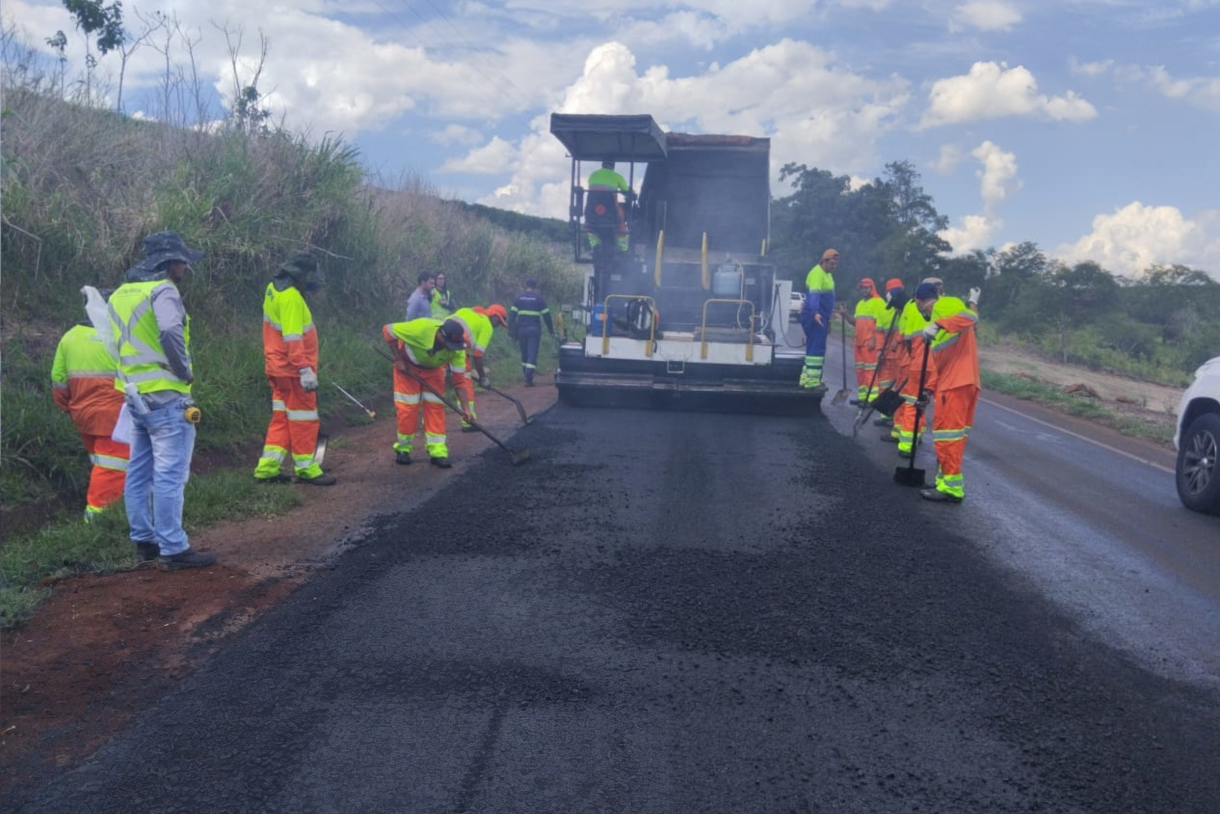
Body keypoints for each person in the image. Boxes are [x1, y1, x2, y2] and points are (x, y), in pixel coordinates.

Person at [109, 231, 214, 569]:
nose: (185, 265)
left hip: (134, 395)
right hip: (167, 395)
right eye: (182, 260)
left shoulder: (121, 293)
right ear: (170, 261)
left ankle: (144, 540)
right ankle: (173, 547)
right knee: (169, 474)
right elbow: (170, 331)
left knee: (138, 471)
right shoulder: (164, 289)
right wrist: (183, 370)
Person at [253, 252, 335, 486]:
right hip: (292, 371)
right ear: (300, 276)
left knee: (282, 418)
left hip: (276, 367)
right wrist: (304, 370)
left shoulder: (273, 288)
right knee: (303, 418)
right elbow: (292, 338)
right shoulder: (290, 298)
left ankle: (267, 468)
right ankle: (307, 468)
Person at [51, 292, 129, 520]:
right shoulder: (118, 335)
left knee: (101, 462)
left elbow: (58, 381)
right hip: (115, 415)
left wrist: (70, 407)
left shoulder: (70, 337)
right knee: (111, 466)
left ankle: (115, 509)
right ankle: (97, 519)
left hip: (82, 414)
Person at [914, 283, 982, 503]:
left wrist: (937, 323)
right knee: (953, 438)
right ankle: (945, 482)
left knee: (946, 436)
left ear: (919, 300)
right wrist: (928, 389)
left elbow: (971, 317)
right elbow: (940, 364)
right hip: (958, 382)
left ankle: (952, 489)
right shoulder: (941, 328)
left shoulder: (943, 305)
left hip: (956, 384)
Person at [382, 317, 470, 468]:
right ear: (440, 335)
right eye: (448, 344)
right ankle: (403, 449)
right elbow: (388, 330)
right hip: (407, 368)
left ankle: (438, 452)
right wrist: (398, 359)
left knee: (435, 408)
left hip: (434, 372)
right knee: (408, 409)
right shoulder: (420, 329)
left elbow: (459, 381)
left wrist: (466, 409)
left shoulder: (457, 349)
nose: (451, 349)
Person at [889, 277, 942, 455]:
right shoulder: (944, 308)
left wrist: (910, 356)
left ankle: (907, 444)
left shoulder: (913, 306)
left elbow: (907, 338)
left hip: (919, 362)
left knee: (912, 402)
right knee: (920, 401)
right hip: (932, 364)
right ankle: (915, 435)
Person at [449, 304, 509, 431]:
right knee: (464, 383)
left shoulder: (468, 310)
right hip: (457, 346)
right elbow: (478, 355)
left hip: (440, 340)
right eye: (499, 323)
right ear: (495, 317)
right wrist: (483, 378)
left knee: (435, 379)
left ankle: (428, 422)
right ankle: (468, 421)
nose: (497, 326)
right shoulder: (486, 324)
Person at [836, 277, 884, 404]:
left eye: (866, 288)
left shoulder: (879, 303)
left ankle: (872, 399)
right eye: (861, 288)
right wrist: (844, 314)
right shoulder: (860, 304)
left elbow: (880, 325)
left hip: (869, 344)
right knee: (860, 371)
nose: (863, 290)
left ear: (872, 288)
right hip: (859, 343)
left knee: (870, 371)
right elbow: (855, 322)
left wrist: (874, 340)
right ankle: (863, 397)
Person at [799, 248, 839, 390]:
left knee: (812, 348)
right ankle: (812, 382)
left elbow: (826, 297)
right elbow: (814, 295)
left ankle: (805, 379)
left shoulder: (827, 275)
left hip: (822, 314)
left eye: (835, 264)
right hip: (815, 316)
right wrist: (815, 313)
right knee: (816, 348)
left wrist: (830, 311)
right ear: (824, 261)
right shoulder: (817, 273)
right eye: (832, 264)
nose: (834, 267)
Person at [871, 278, 907, 425]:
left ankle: (898, 419)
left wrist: (897, 340)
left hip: (900, 355)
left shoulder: (907, 309)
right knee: (884, 384)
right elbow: (879, 332)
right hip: (886, 355)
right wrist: (879, 350)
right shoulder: (884, 310)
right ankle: (886, 416)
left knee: (899, 387)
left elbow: (907, 330)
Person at [509, 278, 555, 387]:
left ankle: (526, 373)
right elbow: (547, 316)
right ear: (535, 287)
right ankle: (528, 377)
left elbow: (511, 318)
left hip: (521, 330)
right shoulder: (539, 299)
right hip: (534, 330)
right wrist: (551, 330)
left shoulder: (518, 298)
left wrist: (511, 332)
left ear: (526, 285)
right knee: (532, 353)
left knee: (524, 353)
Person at [586, 161, 632, 253]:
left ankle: (595, 244)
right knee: (621, 221)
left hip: (592, 211)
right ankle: (623, 249)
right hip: (611, 213)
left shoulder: (592, 175)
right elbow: (626, 190)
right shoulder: (617, 176)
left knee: (589, 224)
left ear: (602, 165)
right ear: (613, 167)